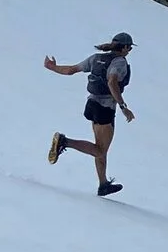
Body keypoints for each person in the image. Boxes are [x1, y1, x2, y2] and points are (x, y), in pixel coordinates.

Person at [45, 32, 135, 196]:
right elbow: (112, 81)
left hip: (92, 104)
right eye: (129, 48)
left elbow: (71, 70)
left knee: (100, 146)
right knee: (100, 150)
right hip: (105, 108)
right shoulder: (119, 62)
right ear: (124, 47)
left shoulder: (96, 58)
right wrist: (123, 107)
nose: (129, 51)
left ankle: (103, 184)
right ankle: (64, 141)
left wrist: (52, 67)